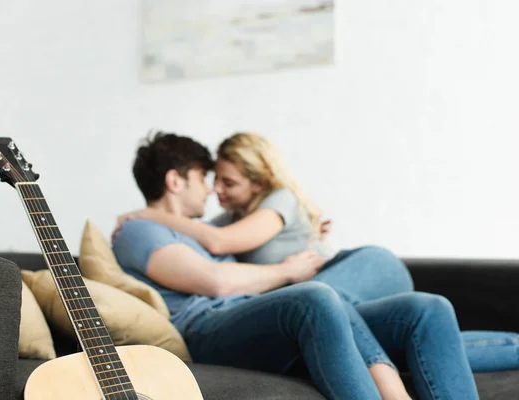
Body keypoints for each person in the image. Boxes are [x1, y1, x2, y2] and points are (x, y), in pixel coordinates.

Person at [112, 131, 480, 400]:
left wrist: (305, 229)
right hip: (208, 331)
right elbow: (216, 282)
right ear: (175, 180)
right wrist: (288, 271)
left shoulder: (201, 229)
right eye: (203, 180)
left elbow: (233, 238)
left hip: (247, 316)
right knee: (314, 297)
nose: (211, 191)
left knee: (426, 309)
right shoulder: (138, 230)